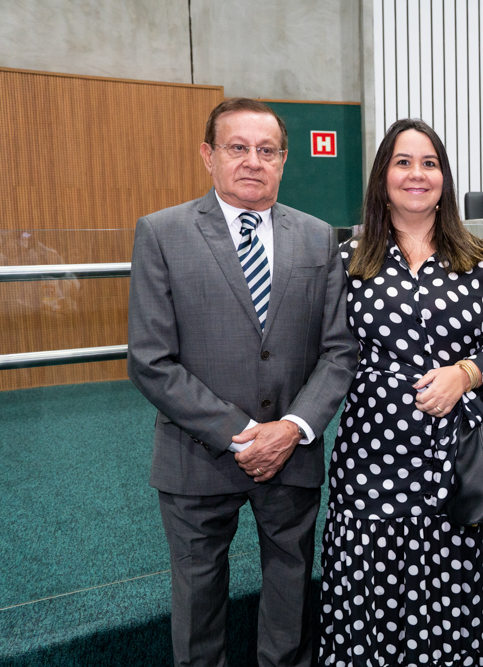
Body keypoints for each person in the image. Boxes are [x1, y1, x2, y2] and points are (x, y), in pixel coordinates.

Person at [127, 97, 358, 667]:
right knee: (198, 609)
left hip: (292, 454)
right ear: (209, 156)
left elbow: (339, 352)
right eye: (238, 148)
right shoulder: (162, 233)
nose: (252, 161)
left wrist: (293, 428)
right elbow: (151, 360)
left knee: (289, 595)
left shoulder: (317, 237)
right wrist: (243, 432)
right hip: (197, 457)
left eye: (267, 150)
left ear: (284, 160)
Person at [317, 118, 483, 667]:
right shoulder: (347, 259)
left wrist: (465, 373)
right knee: (370, 589)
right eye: (403, 162)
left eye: (429, 163)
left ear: (445, 178)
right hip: (371, 458)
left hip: (460, 458)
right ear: (382, 175)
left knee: (459, 594)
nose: (417, 174)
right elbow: (323, 354)